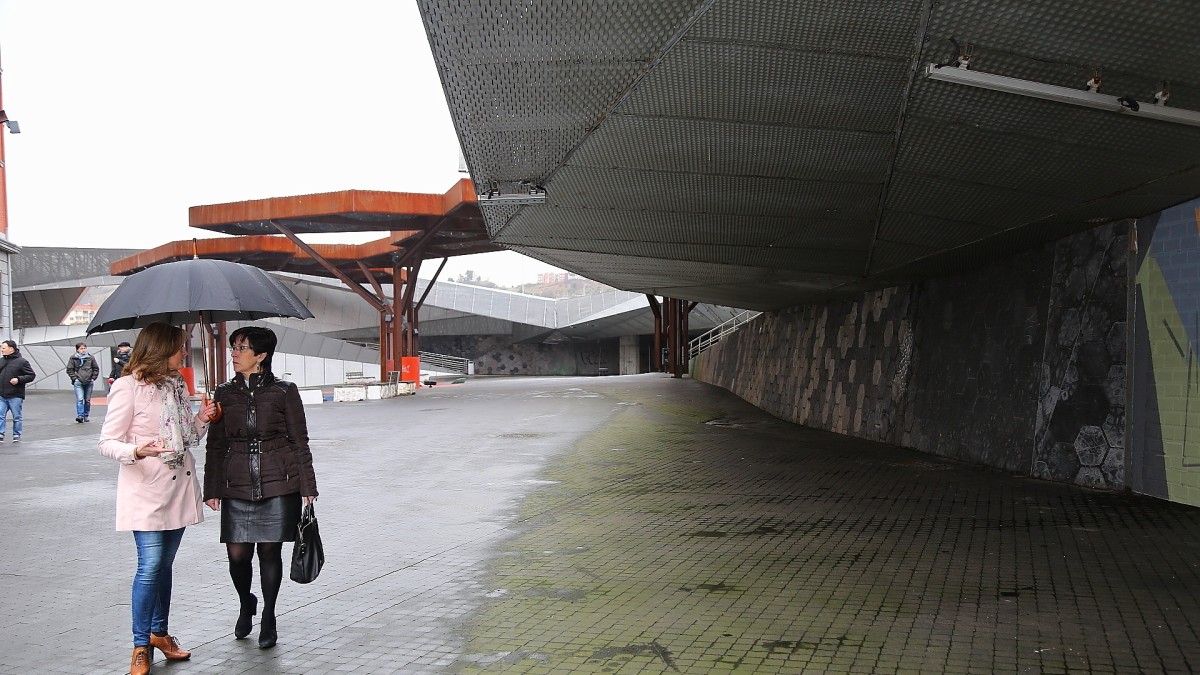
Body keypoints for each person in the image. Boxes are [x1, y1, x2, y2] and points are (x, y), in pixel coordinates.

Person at [98, 323, 217, 675]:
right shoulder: (128, 386)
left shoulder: (177, 384)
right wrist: (136, 449)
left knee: (164, 565)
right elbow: (107, 442)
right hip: (146, 488)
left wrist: (202, 418)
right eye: (182, 346)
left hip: (178, 485)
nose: (185, 352)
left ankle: (160, 635)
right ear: (161, 348)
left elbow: (186, 436)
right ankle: (140, 646)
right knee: (149, 567)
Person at [204, 326, 318, 650]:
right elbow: (215, 446)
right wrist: (211, 488)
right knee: (238, 555)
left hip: (279, 482)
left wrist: (307, 485)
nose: (234, 353)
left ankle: (269, 614)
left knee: (269, 552)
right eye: (233, 347)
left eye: (241, 348)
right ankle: (246, 601)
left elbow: (299, 441)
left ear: (261, 355)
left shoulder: (284, 391)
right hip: (236, 483)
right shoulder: (224, 394)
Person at [0, 339, 36, 443]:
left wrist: (19, 379)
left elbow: (31, 375)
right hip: (2, 394)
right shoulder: (1, 361)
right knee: (0, 415)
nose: (2, 350)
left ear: (11, 349)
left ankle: (16, 434)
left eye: (3, 348)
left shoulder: (22, 362)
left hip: (15, 394)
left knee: (16, 416)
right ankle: (1, 434)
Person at [67, 341, 100, 422]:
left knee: (87, 400)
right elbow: (69, 369)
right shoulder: (73, 358)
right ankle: (80, 416)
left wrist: (93, 378)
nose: (83, 350)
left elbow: (96, 368)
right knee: (80, 399)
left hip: (89, 381)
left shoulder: (90, 358)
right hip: (78, 381)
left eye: (84, 348)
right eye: (81, 348)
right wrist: (75, 378)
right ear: (77, 350)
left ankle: (86, 415)